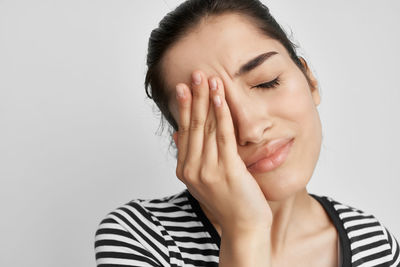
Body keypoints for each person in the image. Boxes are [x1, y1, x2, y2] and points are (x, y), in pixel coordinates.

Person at [94, 0, 399, 266]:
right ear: (186, 144)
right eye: (214, 114)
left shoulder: (373, 243)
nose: (252, 129)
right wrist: (245, 229)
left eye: (267, 82)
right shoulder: (143, 237)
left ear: (310, 80)